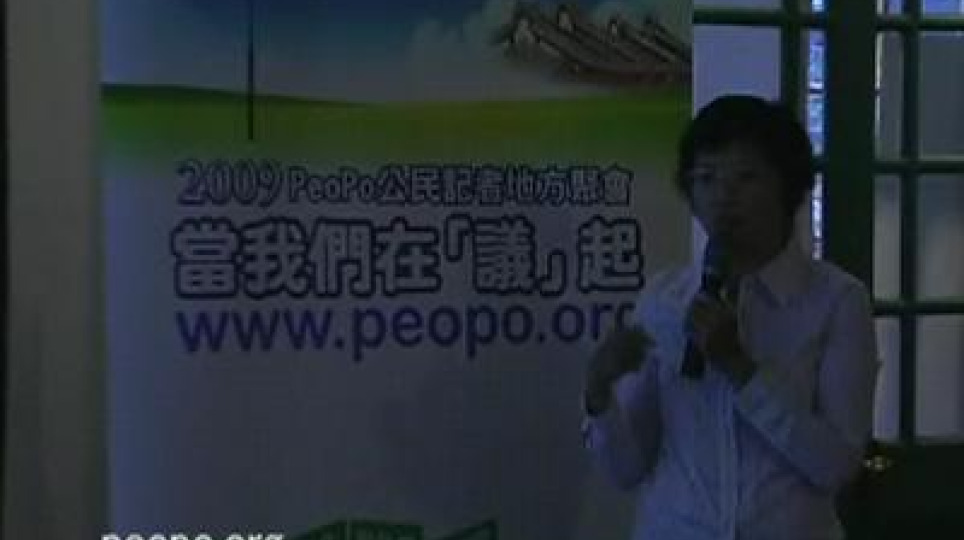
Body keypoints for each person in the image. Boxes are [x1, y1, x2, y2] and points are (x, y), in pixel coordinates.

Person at [582, 94, 878, 540]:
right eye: (706, 178)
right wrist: (598, 395)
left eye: (745, 177)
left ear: (788, 188)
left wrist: (740, 368)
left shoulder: (836, 301)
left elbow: (835, 465)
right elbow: (627, 469)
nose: (724, 196)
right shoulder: (663, 299)